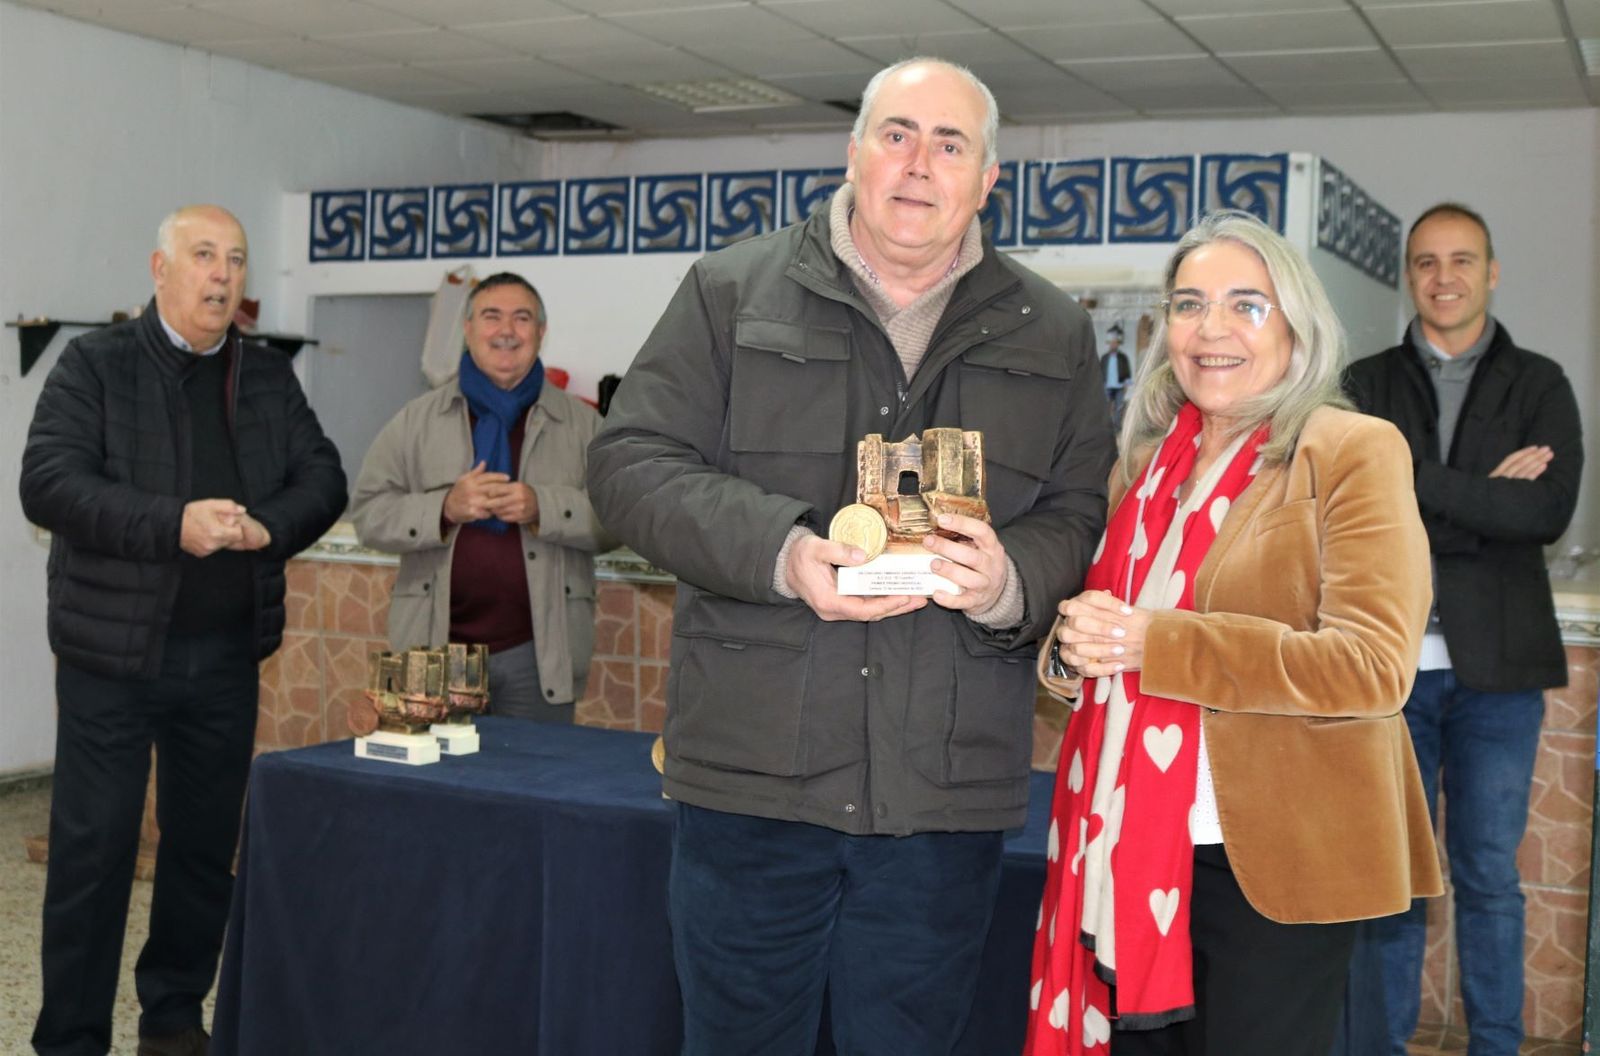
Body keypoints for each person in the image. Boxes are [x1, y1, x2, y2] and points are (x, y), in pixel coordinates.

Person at [587, 57, 1113, 1055]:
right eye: (897, 134)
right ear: (853, 152)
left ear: (988, 178)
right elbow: (628, 464)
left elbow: (1080, 511)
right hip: (754, 779)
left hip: (940, 794)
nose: (919, 164)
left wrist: (1009, 583)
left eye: (949, 144)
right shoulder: (729, 292)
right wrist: (782, 551)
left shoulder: (1053, 331)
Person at [1025, 211, 1442, 1056]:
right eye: (1189, 305)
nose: (1211, 329)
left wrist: (1159, 645)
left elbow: (1371, 666)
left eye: (1246, 305)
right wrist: (1070, 653)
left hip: (1276, 856)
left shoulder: (1351, 449)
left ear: (1297, 326)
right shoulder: (1143, 469)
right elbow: (1106, 626)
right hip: (1129, 848)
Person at [20, 205, 347, 1056]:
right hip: (111, 658)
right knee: (94, 854)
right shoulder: (95, 364)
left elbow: (323, 476)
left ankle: (171, 1018)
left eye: (235, 260)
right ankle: (71, 1039)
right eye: (204, 255)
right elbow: (48, 482)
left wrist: (267, 526)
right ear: (160, 269)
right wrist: (174, 524)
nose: (222, 274)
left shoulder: (265, 374)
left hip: (225, 655)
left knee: (202, 851)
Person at [1347, 203, 1583, 1056]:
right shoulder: (1364, 384)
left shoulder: (1541, 383)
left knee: (1488, 876)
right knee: (1394, 881)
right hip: (1387, 669)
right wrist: (1484, 496)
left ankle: (1495, 1045)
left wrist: (1415, 480)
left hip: (1501, 676)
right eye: (1426, 262)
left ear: (1492, 273)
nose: (1443, 277)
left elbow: (1545, 512)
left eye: (1462, 260)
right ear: (1408, 276)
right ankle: (1382, 1045)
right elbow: (1350, 507)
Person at [351, 272, 614, 721]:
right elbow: (368, 514)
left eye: (522, 318)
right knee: (434, 769)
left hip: (539, 657)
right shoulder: (416, 421)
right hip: (433, 651)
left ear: (541, 332)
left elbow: (620, 518)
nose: (506, 331)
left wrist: (544, 507)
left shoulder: (583, 425)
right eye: (491, 316)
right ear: (468, 328)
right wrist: (443, 508)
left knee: (535, 768)